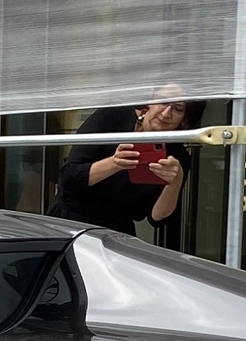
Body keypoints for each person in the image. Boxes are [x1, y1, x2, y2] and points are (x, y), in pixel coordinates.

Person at [52, 85, 189, 234]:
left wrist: (175, 182)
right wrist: (114, 163)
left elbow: (157, 219)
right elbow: (69, 177)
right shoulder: (113, 115)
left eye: (178, 109)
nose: (167, 113)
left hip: (116, 232)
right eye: (164, 102)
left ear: (185, 116)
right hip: (70, 222)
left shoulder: (177, 155)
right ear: (151, 99)